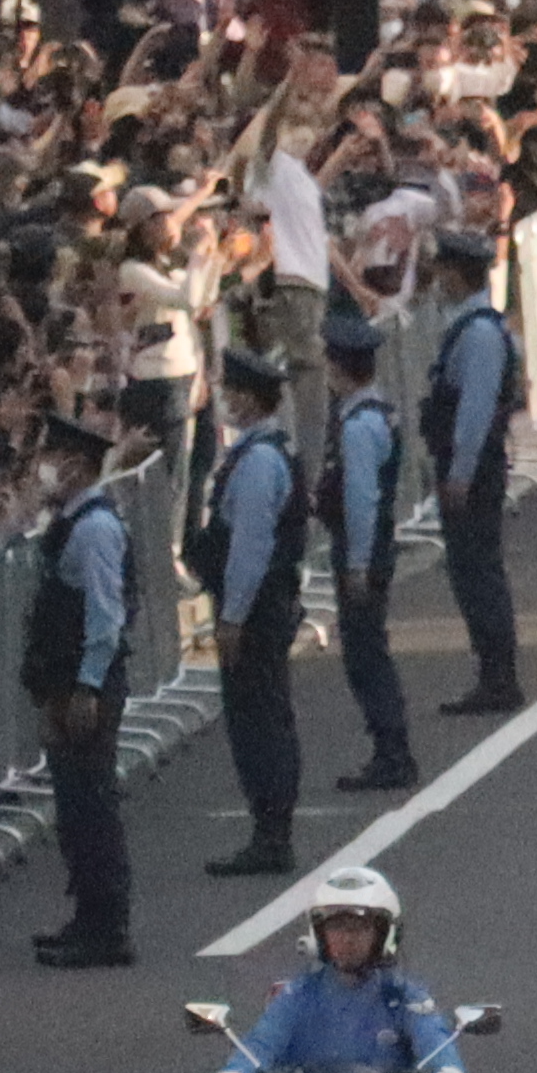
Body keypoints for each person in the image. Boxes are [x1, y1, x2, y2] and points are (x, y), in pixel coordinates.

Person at [23, 410, 142, 966]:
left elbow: (104, 616)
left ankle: (106, 924)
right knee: (75, 806)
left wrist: (88, 686)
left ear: (75, 463)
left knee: (91, 805)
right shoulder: (73, 519)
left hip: (83, 680)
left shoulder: (94, 527)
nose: (44, 468)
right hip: (65, 677)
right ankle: (87, 916)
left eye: (53, 457)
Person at [192, 345, 310, 873]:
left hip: (258, 609)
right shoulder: (260, 453)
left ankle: (271, 831)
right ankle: (269, 827)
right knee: (260, 715)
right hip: (263, 604)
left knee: (258, 718)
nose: (225, 400)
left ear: (247, 397)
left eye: (232, 392)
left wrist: (233, 615)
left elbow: (250, 547)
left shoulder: (259, 461)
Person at [222, 865, 471, 1073]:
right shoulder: (298, 994)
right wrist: (236, 1072)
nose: (347, 938)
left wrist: (447, 1069)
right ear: (319, 934)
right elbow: (262, 1041)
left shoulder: (404, 996)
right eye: (336, 927)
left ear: (383, 935)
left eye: (360, 928)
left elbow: (433, 1036)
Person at [422, 183, 526, 717]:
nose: (437, 278)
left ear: (460, 274)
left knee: (478, 570)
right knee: (470, 570)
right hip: (467, 465)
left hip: (475, 468)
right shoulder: (467, 327)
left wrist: (461, 471)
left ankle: (499, 674)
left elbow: (475, 411)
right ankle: (492, 671)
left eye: (443, 269)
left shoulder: (479, 335)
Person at [317, 304, 418, 796]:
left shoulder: (358, 426)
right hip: (372, 545)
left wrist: (355, 562)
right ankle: (390, 748)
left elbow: (360, 498)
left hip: (363, 550)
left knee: (365, 655)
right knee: (366, 650)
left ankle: (391, 751)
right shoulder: (376, 415)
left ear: (339, 367)